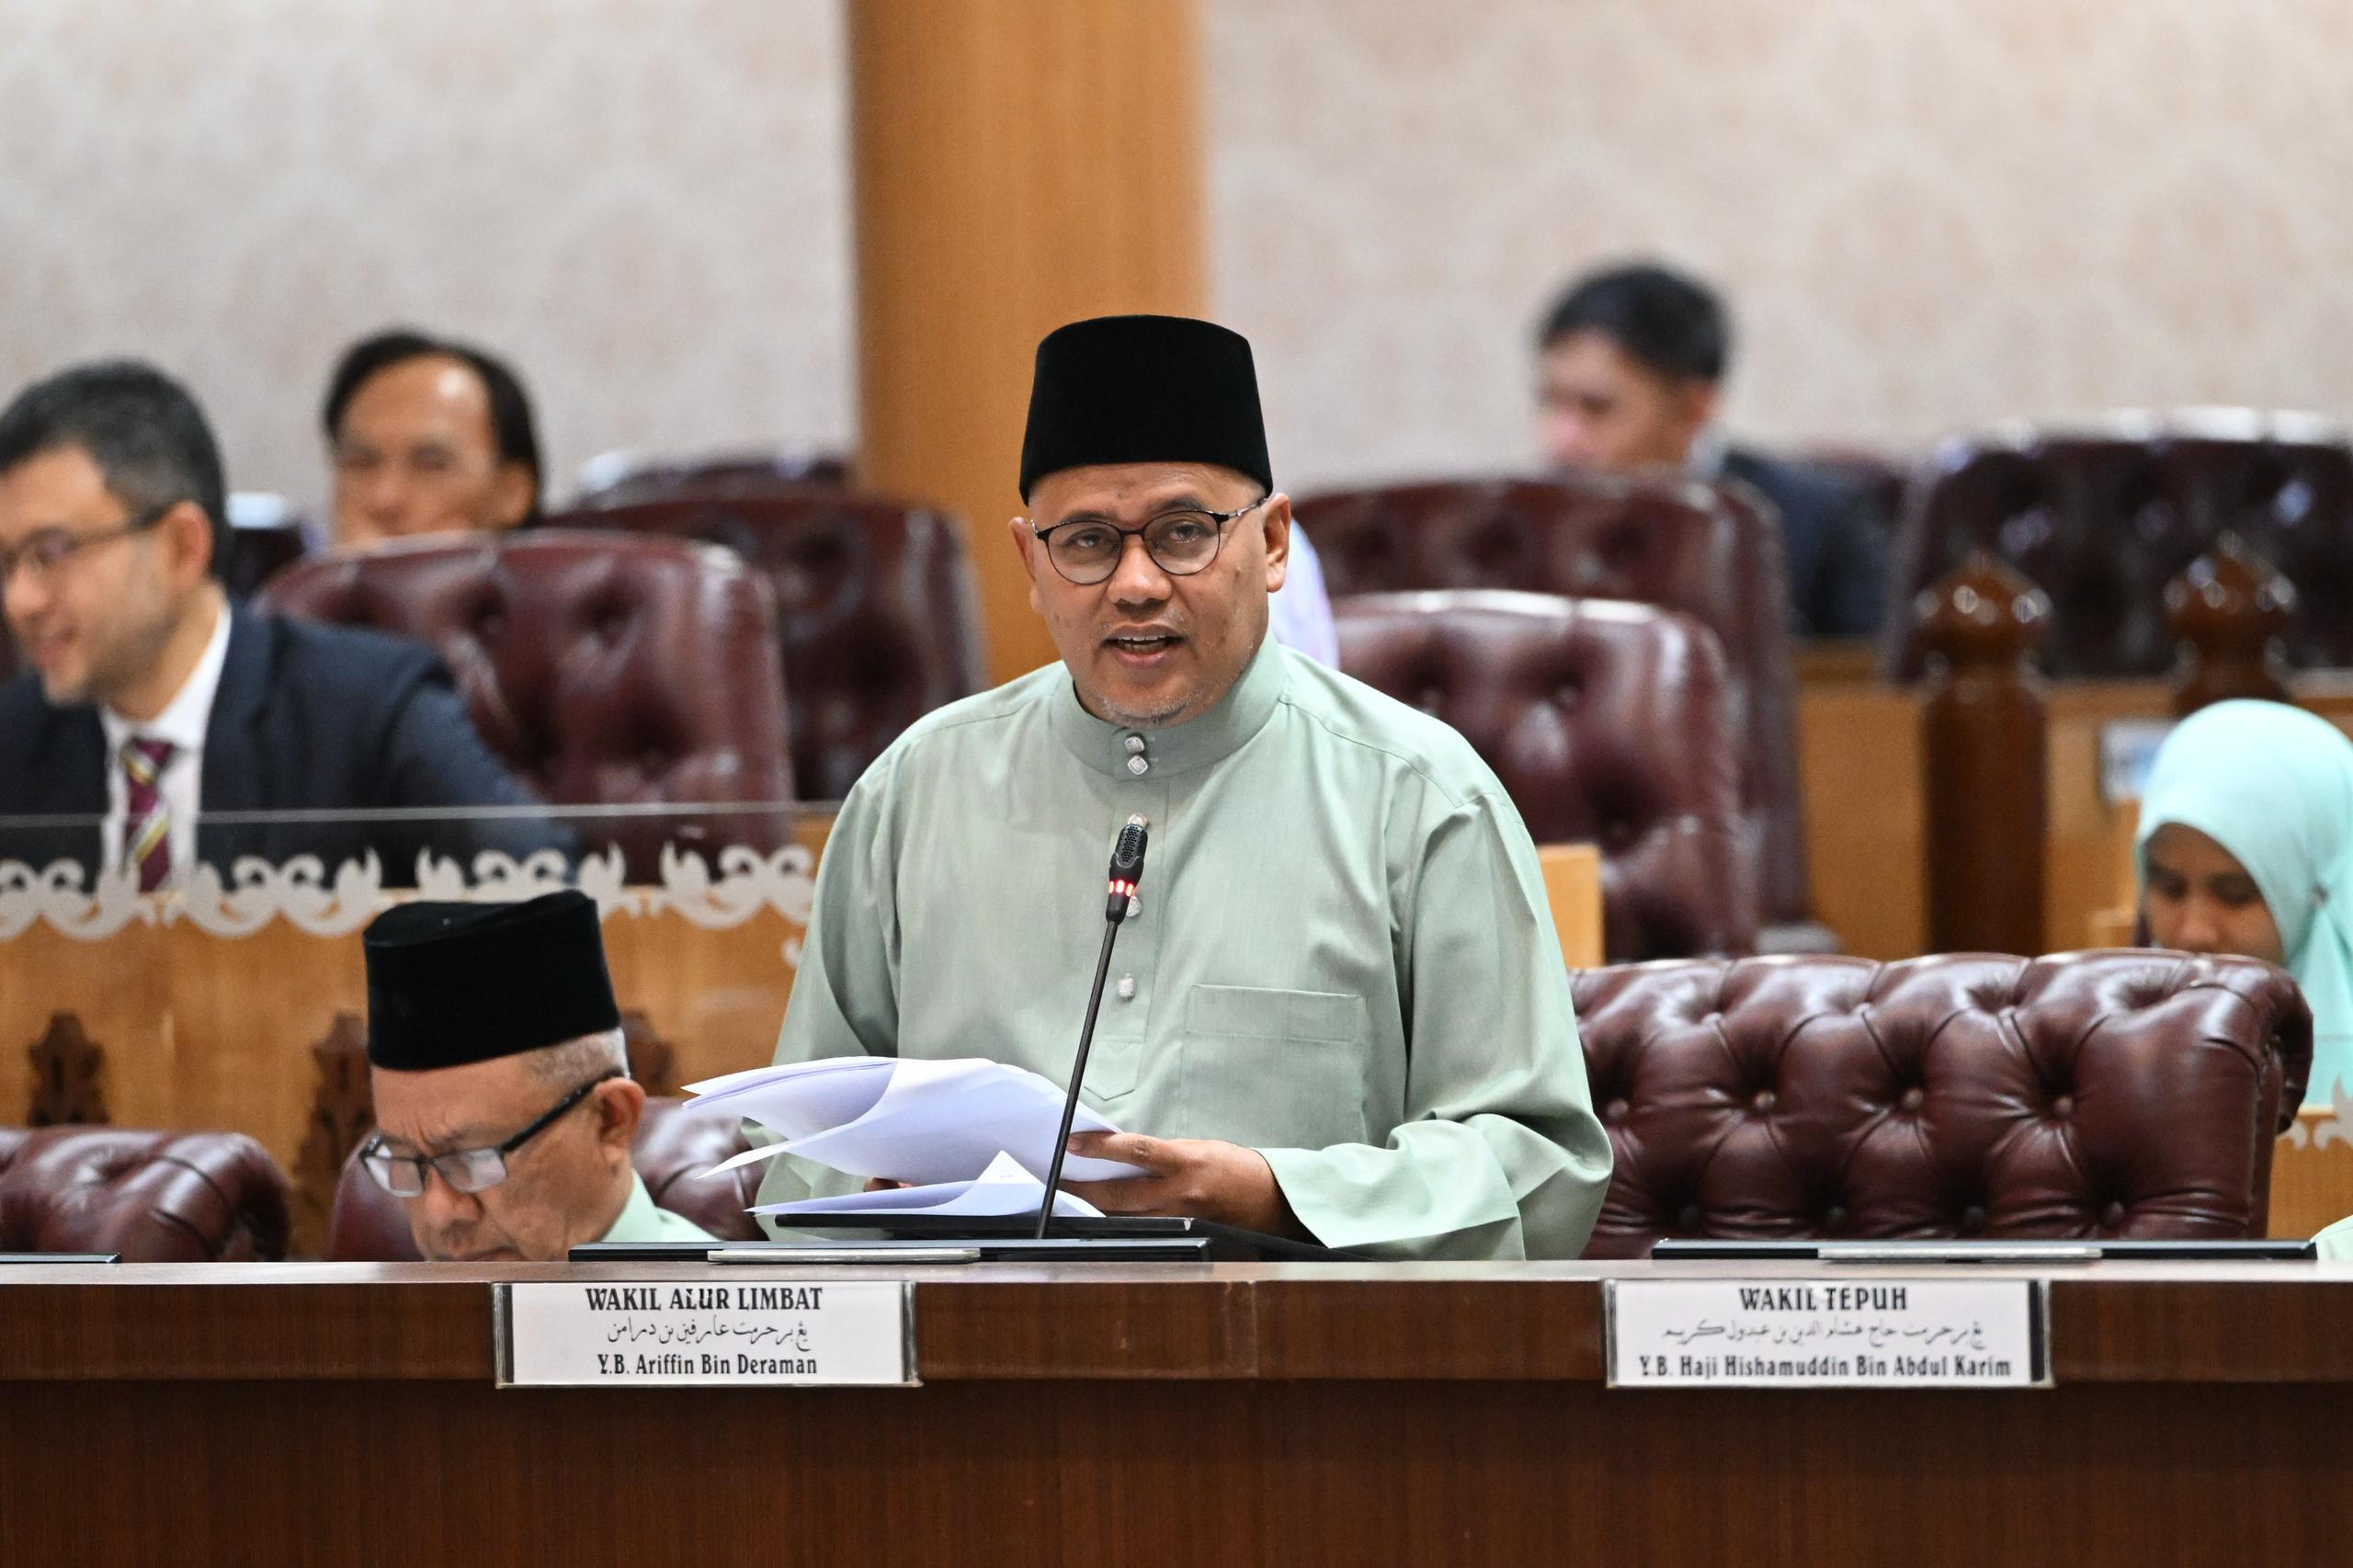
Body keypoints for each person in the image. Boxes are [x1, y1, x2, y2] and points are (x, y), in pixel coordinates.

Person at [759, 313, 1610, 1260]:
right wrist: (873, 1193)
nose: (1133, 583)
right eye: (1084, 541)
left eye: (1182, 534)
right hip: (982, 1371)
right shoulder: (915, 792)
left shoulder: (1418, 797)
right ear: (1030, 564)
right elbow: (797, 1142)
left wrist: (1269, 1193)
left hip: (1303, 1373)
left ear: (1275, 542)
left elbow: (1536, 1163)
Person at [0, 358, 561, 884]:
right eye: (7, 564)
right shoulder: (13, 743)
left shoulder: (368, 710)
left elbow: (549, 903)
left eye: (51, 554)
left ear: (181, 547)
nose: (21, 600)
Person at [1534, 260, 1888, 638]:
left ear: (1693, 408)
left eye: (1596, 407)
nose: (1562, 440)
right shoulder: (1524, 522)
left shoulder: (1817, 518)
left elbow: (1870, 685)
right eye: (1550, 403)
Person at [358, 891, 713, 1260]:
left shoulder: (732, 1313)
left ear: (611, 1120)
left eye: (473, 1160)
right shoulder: (387, 1315)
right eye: (405, 1162)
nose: (439, 1214)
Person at [2135, 699, 2353, 1111]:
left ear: (2317, 893)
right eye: (2169, 888)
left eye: (2236, 894)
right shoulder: (2111, 1051)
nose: (2193, 932)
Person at [324, 328, 541, 549]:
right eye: (360, 463)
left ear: (513, 493)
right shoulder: (299, 579)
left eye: (430, 465)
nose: (385, 499)